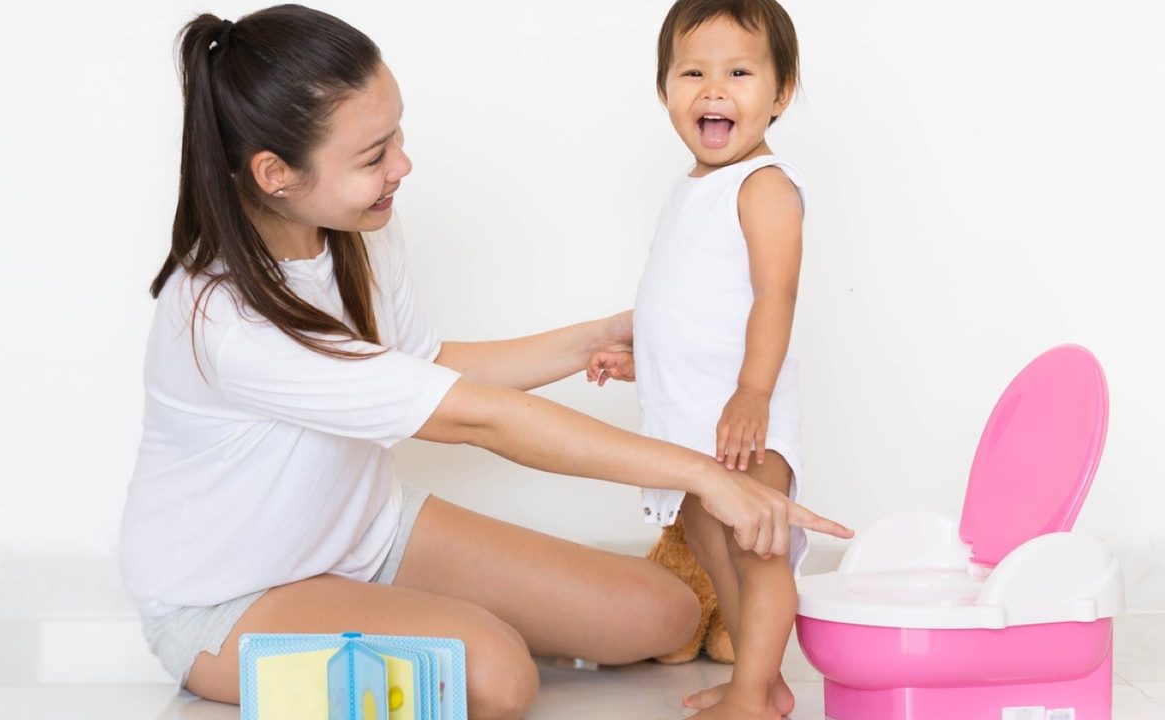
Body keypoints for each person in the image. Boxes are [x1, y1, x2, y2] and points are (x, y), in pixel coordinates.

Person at [120, 5, 851, 719]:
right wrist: (702, 475)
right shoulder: (222, 322)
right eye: (374, 156)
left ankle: (405, 616)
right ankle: (414, 627)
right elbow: (477, 418)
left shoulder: (355, 227)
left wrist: (600, 336)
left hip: (365, 534)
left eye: (396, 132)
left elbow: (423, 364)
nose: (402, 164)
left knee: (666, 614)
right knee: (496, 675)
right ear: (275, 173)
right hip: (229, 597)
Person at [587, 1, 816, 718]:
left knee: (756, 551)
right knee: (713, 550)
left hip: (742, 417)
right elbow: (689, 303)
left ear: (780, 94)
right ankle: (763, 680)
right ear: (665, 91)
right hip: (690, 419)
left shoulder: (765, 186)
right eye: (693, 72)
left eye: (740, 73)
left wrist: (753, 393)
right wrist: (642, 361)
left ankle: (754, 692)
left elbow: (774, 296)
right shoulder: (693, 189)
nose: (714, 90)